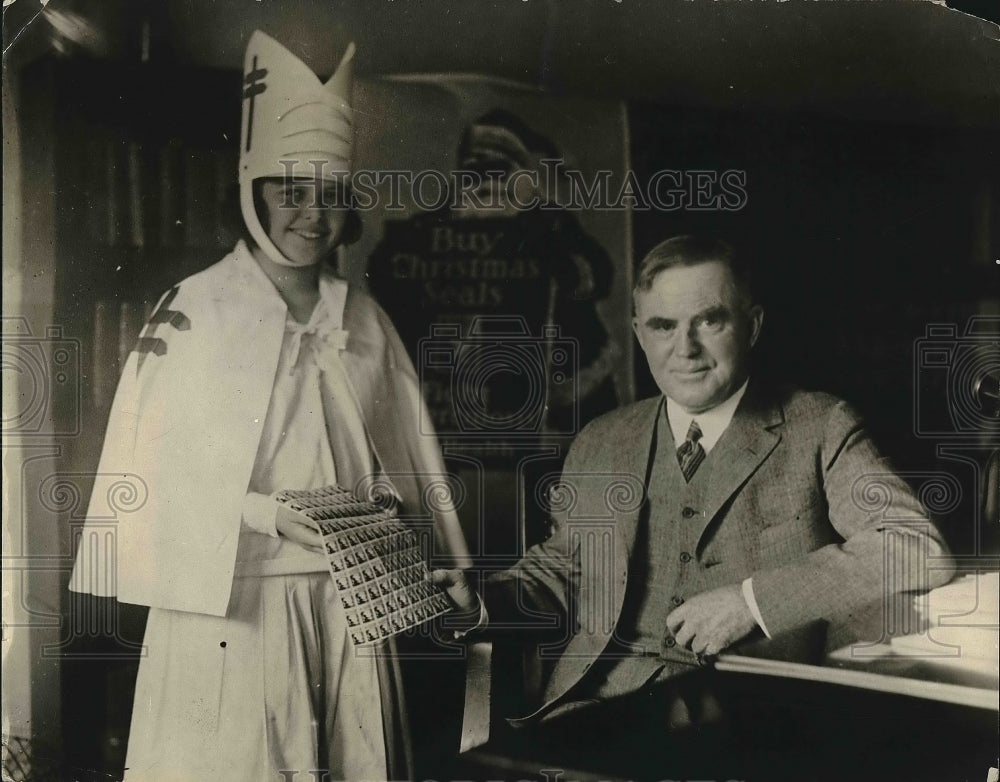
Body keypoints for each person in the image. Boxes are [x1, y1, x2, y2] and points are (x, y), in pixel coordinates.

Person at [69, 31, 469, 781]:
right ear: (253, 190)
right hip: (235, 607)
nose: (312, 215)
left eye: (330, 195)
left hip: (354, 606)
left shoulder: (364, 317)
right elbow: (148, 478)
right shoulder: (195, 309)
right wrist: (262, 513)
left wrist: (393, 507)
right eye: (292, 189)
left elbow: (403, 455)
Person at [435, 234, 955, 725]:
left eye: (708, 321)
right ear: (638, 332)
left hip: (749, 716)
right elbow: (567, 572)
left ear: (751, 326)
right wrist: (480, 602)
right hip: (594, 705)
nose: (684, 348)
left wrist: (751, 603)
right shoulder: (602, 438)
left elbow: (915, 547)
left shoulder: (821, 425)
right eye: (663, 325)